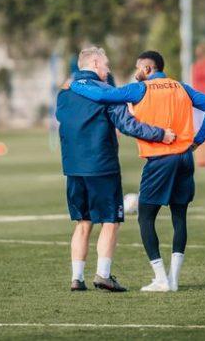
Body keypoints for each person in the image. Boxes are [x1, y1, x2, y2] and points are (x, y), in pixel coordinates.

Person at [70, 50, 205, 292]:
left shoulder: (140, 89)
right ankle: (174, 278)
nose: (136, 72)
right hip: (185, 157)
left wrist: (75, 84)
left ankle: (161, 279)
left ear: (147, 69)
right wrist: (198, 140)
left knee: (145, 217)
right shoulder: (181, 87)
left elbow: (100, 95)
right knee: (179, 217)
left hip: (160, 159)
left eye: (138, 68)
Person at [56, 47, 176, 292]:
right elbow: (128, 125)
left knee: (83, 222)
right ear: (96, 62)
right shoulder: (107, 93)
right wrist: (160, 134)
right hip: (101, 166)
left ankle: (76, 278)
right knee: (110, 221)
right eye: (106, 65)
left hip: (73, 167)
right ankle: (103, 275)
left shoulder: (64, 93)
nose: (108, 70)